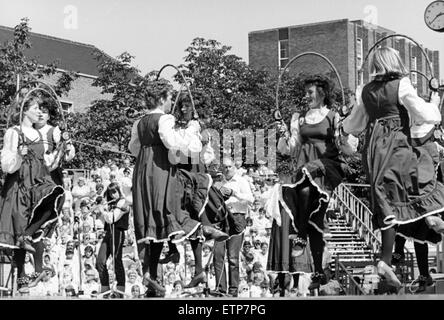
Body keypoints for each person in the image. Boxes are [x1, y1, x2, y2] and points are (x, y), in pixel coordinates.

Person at [342, 47, 444, 292]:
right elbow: (424, 114)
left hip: (374, 150)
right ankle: (432, 217)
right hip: (397, 144)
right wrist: (436, 100)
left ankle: (385, 261)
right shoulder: (402, 85)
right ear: (395, 61)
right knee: (422, 174)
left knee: (387, 199)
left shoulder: (366, 91)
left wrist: (343, 125)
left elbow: (354, 123)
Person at [268, 75, 357, 294]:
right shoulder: (299, 118)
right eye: (305, 92)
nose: (306, 96)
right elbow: (289, 148)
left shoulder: (333, 116)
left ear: (322, 93)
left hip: (326, 168)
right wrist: (281, 129)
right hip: (304, 168)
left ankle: (300, 236)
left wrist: (344, 127)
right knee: (315, 221)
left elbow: (348, 148)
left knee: (308, 185)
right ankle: (318, 272)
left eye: (310, 92)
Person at [128, 79, 203, 296]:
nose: (172, 102)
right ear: (161, 99)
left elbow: (133, 147)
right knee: (170, 209)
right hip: (161, 169)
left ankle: (151, 273)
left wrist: (148, 151)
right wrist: (190, 133)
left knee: (155, 216)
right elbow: (172, 142)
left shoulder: (139, 122)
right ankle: (190, 265)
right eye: (170, 98)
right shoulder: (165, 119)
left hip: (143, 170)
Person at [0, 95, 65, 289]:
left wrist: (60, 150)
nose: (39, 112)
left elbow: (49, 164)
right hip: (20, 184)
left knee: (55, 197)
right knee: (20, 223)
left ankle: (26, 235)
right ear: (24, 109)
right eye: (36, 108)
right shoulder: (14, 132)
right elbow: (6, 165)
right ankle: (21, 278)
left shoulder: (39, 134)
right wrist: (19, 157)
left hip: (38, 181)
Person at [213, 157, 254, 297]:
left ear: (234, 167)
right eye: (224, 167)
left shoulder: (242, 181)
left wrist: (234, 194)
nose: (227, 169)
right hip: (222, 219)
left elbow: (251, 198)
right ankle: (220, 288)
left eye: (229, 166)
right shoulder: (218, 183)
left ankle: (233, 290)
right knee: (218, 255)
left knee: (233, 257)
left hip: (237, 218)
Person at [95, 182, 130, 297]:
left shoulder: (123, 202)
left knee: (116, 260)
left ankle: (120, 289)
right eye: (110, 193)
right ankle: (105, 289)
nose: (113, 195)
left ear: (119, 191)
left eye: (114, 192)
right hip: (108, 233)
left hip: (118, 232)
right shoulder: (110, 203)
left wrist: (102, 211)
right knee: (100, 261)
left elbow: (112, 218)